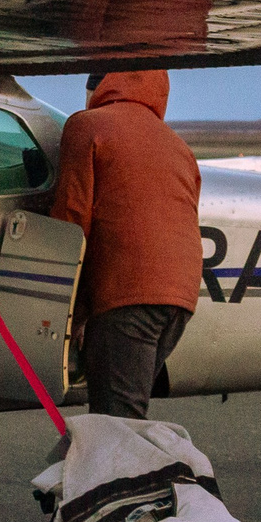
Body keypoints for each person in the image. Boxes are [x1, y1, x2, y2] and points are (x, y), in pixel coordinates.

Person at [49, 70, 201, 418]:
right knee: (124, 409)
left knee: (117, 422)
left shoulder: (87, 126)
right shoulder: (178, 145)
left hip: (128, 295)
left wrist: (69, 317)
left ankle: (142, 472)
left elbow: (71, 221)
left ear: (99, 87)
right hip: (180, 300)